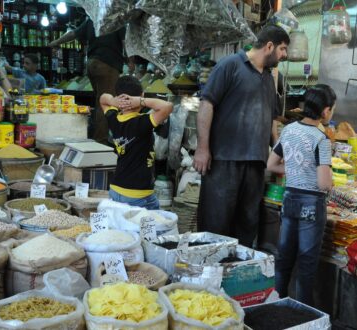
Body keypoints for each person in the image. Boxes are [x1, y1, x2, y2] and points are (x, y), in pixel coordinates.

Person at [193, 25, 290, 247]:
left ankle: (237, 272)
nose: (284, 55)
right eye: (283, 49)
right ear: (269, 46)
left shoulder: (268, 78)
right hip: (224, 160)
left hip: (255, 164)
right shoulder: (230, 66)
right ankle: (209, 275)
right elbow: (206, 105)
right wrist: (202, 148)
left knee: (247, 225)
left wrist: (277, 149)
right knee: (215, 223)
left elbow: (271, 119)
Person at [266, 84, 336, 305]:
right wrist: (331, 184)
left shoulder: (289, 130)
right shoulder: (321, 138)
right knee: (306, 264)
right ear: (325, 111)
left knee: (284, 259)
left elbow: (271, 164)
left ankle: (277, 308)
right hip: (311, 205)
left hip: (290, 200)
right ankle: (302, 316)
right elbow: (324, 183)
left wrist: (297, 170)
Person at [99, 76, 173, 210]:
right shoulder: (142, 123)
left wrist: (113, 101)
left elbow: (103, 99)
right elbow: (167, 106)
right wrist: (141, 101)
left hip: (116, 189)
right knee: (153, 228)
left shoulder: (113, 118)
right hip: (139, 195)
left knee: (122, 228)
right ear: (142, 95)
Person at [49, 18, 127, 144]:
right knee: (106, 104)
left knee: (99, 102)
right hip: (108, 64)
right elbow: (125, 42)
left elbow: (73, 33)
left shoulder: (92, 19)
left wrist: (56, 42)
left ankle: (96, 135)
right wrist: (131, 61)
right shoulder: (117, 19)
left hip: (92, 64)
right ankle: (100, 140)